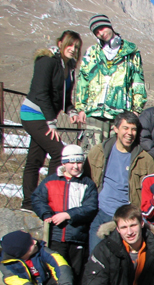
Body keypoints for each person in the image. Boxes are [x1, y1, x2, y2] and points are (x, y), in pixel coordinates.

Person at [20, 30, 85, 211]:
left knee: (35, 159)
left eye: (76, 47)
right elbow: (41, 93)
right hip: (33, 114)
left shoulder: (68, 67)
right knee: (58, 152)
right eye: (69, 44)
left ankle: (29, 203)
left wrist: (71, 110)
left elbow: (64, 98)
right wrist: (51, 122)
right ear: (60, 44)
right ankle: (48, 199)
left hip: (45, 116)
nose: (72, 49)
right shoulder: (47, 61)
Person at [32, 145, 98, 285]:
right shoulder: (50, 181)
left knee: (76, 273)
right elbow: (37, 199)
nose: (75, 166)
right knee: (57, 272)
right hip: (55, 238)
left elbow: (90, 207)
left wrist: (68, 215)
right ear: (64, 163)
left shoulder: (87, 184)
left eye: (79, 162)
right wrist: (46, 213)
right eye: (71, 162)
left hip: (77, 237)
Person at [85, 111, 154, 252]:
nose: (129, 133)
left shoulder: (145, 160)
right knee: (95, 258)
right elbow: (87, 181)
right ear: (116, 129)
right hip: (101, 213)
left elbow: (151, 193)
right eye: (125, 128)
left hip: (128, 219)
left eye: (133, 129)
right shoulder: (98, 152)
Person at [76, 14, 147, 146]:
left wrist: (136, 110)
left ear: (109, 26)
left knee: (117, 152)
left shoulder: (131, 52)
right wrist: (81, 108)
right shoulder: (92, 52)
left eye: (102, 28)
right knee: (93, 153)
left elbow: (138, 81)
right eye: (96, 32)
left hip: (120, 115)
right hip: (95, 113)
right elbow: (83, 81)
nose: (101, 33)